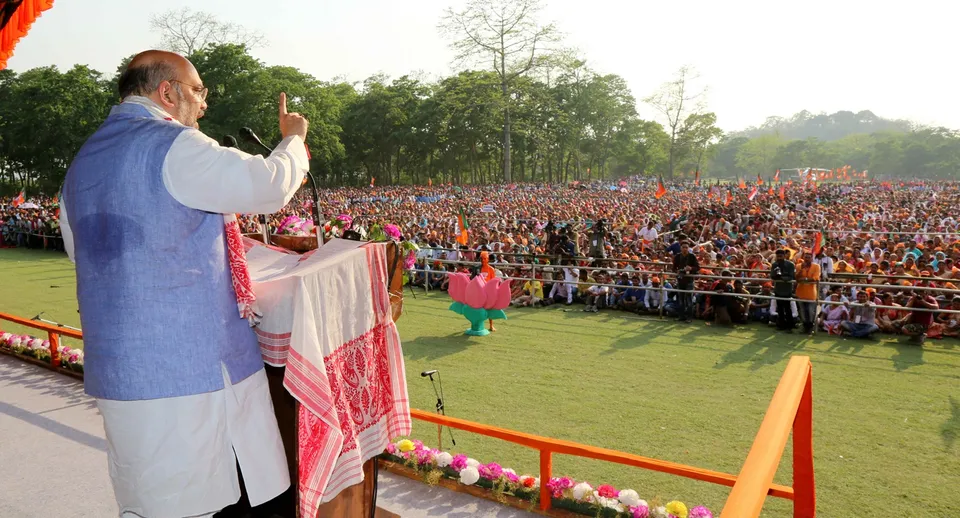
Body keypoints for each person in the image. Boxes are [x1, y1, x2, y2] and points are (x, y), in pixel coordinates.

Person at [61, 51, 310, 518]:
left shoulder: (82, 163)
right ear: (167, 93)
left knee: (150, 502)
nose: (204, 103)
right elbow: (268, 185)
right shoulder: (172, 143)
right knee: (206, 501)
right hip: (189, 373)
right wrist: (294, 139)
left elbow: (88, 257)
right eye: (197, 90)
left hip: (122, 373)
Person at [672, 241, 699, 323]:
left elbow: (698, 267)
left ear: (688, 248)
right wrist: (677, 271)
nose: (685, 249)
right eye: (683, 247)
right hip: (680, 280)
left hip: (689, 280)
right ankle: (681, 316)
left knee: (689, 300)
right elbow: (673, 268)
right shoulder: (677, 256)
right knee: (681, 300)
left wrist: (691, 268)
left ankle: (689, 317)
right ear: (680, 248)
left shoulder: (692, 256)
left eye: (686, 247)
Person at [771, 249, 797, 332]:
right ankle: (781, 325)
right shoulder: (774, 264)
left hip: (787, 290)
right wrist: (776, 275)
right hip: (778, 289)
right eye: (778, 256)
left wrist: (781, 277)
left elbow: (791, 277)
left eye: (781, 256)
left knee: (787, 308)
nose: (779, 258)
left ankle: (790, 326)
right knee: (780, 308)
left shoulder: (790, 264)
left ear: (784, 256)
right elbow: (772, 276)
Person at [796, 252, 821, 334]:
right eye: (806, 257)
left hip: (811, 293)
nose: (807, 259)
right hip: (800, 292)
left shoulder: (816, 266)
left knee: (810, 311)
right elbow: (797, 278)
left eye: (809, 257)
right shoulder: (799, 266)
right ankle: (804, 327)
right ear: (803, 258)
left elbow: (816, 278)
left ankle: (810, 328)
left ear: (812, 258)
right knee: (802, 311)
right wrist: (801, 270)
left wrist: (805, 279)